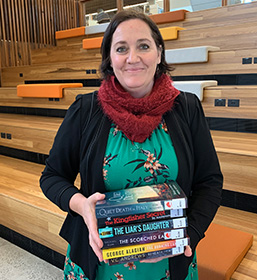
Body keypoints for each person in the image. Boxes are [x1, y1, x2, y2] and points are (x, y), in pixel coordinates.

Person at [40, 9, 223, 280]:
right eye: (121, 48)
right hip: (99, 263)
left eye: (144, 46)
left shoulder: (187, 107)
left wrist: (187, 235)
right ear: (110, 58)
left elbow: (209, 182)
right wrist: (81, 205)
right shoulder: (85, 109)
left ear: (159, 53)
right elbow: (52, 177)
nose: (132, 58)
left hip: (169, 263)